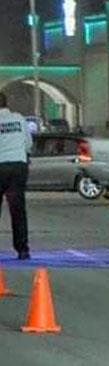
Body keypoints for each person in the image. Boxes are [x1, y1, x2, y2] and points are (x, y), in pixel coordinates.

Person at [0, 93, 33, 260]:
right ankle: (22, 249)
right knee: (18, 209)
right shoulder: (19, 119)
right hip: (18, 167)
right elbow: (28, 144)